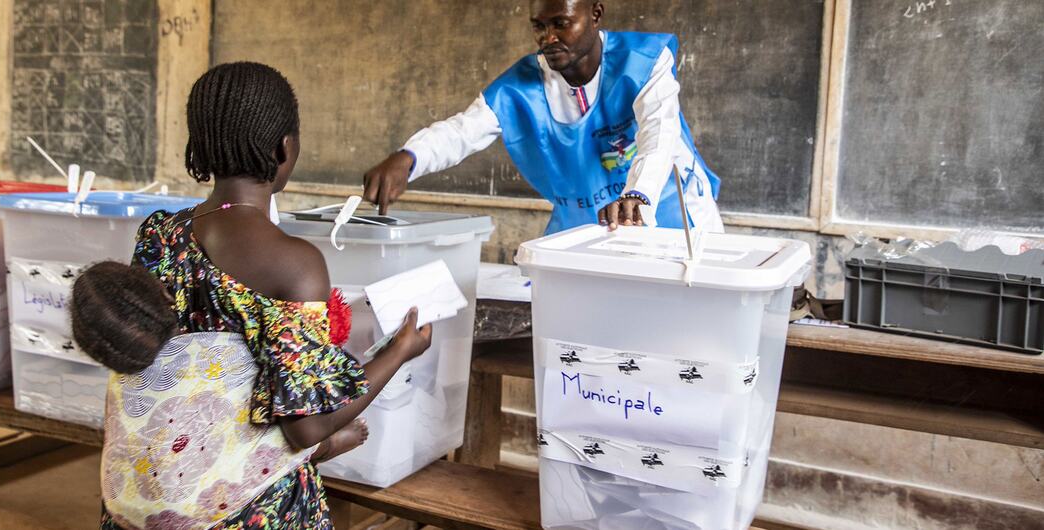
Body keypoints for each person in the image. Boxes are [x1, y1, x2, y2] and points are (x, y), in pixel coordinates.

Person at [69, 62, 433, 530]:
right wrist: (401, 349)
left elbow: (197, 387)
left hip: (151, 496)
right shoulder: (294, 263)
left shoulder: (159, 235)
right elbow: (306, 425)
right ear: (287, 148)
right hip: (241, 514)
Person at [363, 0, 723, 235]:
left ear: (595, 14)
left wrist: (639, 195)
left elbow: (659, 134)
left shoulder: (644, 61)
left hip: (674, 214)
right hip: (591, 224)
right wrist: (408, 158)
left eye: (561, 23)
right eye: (539, 26)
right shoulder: (519, 87)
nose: (548, 38)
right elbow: (461, 131)